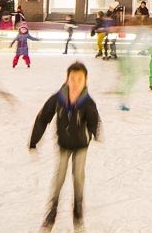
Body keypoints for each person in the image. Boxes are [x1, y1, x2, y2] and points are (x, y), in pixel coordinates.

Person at [30, 61, 102, 231]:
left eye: (80, 79)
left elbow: (95, 119)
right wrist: (34, 139)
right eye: (72, 78)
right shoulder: (58, 98)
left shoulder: (88, 102)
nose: (76, 83)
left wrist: (95, 132)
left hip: (81, 146)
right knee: (59, 178)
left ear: (86, 81)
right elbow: (43, 117)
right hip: (64, 144)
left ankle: (78, 211)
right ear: (66, 79)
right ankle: (52, 210)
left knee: (78, 177)